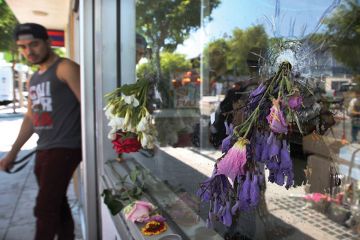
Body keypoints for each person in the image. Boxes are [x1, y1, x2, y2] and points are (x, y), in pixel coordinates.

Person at [0, 23, 81, 240]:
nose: (29, 51)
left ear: (48, 42)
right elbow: (30, 117)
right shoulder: (34, 78)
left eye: (33, 44)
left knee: (45, 209)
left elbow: (90, 106)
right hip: (44, 148)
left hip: (66, 147)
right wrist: (12, 153)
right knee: (58, 204)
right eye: (23, 47)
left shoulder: (65, 68)